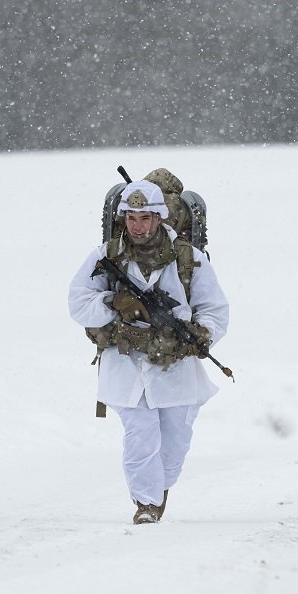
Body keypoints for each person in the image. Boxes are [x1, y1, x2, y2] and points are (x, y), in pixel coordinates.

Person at [68, 179, 230, 524]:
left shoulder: (190, 258)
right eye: (130, 217)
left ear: (159, 218)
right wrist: (113, 302)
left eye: (144, 218)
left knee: (175, 443)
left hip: (176, 366)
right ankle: (145, 504)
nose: (137, 226)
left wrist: (200, 335)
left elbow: (215, 310)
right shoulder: (105, 256)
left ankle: (158, 490)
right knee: (140, 436)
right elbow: (78, 303)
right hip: (125, 362)